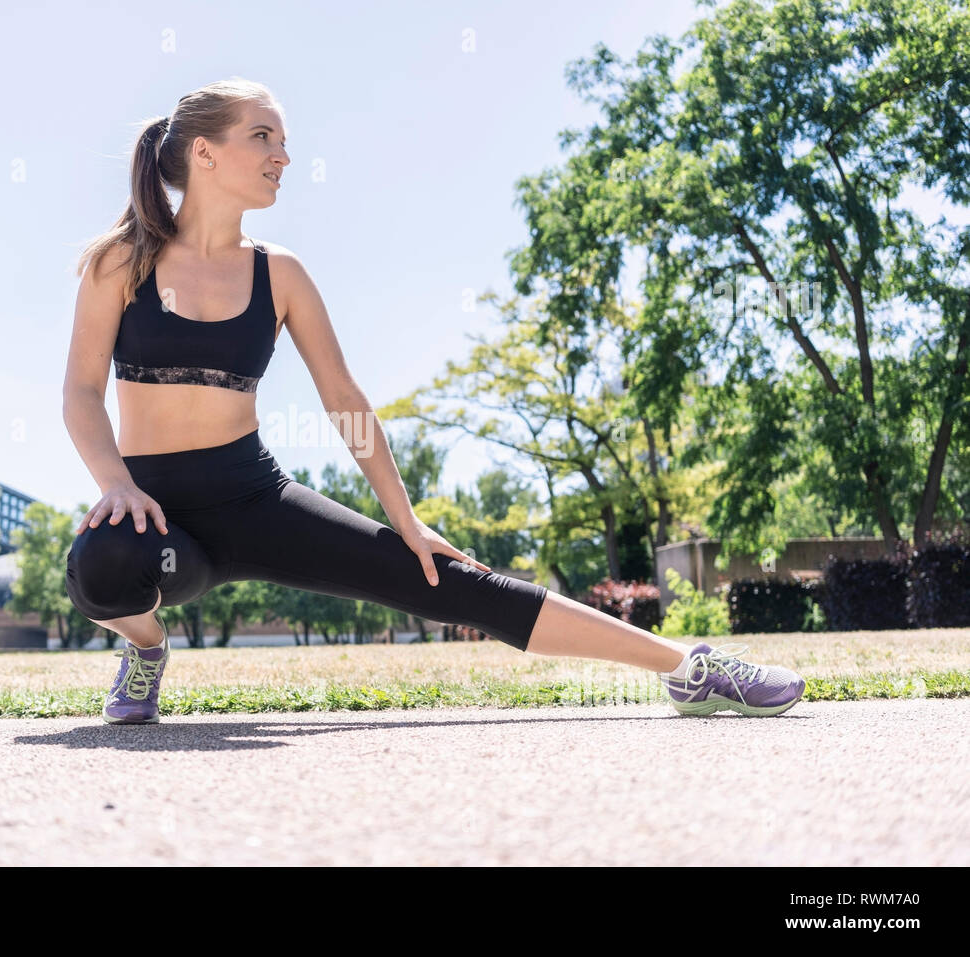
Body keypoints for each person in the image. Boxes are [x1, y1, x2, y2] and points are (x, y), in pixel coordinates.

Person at [61, 78, 806, 724]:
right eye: (264, 137)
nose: (283, 156)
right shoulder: (121, 261)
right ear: (204, 152)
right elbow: (81, 392)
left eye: (285, 141)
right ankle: (147, 649)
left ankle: (689, 667)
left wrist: (406, 519)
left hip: (254, 500)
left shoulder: (279, 274)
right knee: (102, 561)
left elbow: (345, 399)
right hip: (154, 512)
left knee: (447, 581)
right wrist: (116, 483)